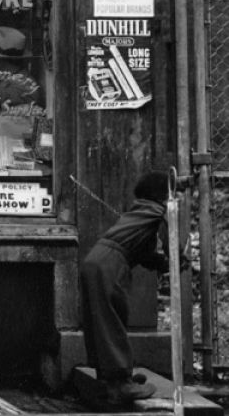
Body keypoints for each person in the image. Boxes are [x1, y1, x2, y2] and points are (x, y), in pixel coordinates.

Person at [80, 171, 176, 404]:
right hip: (110, 264)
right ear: (164, 197)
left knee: (105, 319)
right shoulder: (155, 210)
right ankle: (120, 383)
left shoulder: (139, 213)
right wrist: (177, 253)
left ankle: (112, 379)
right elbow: (170, 228)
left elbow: (143, 253)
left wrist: (163, 263)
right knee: (111, 320)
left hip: (96, 260)